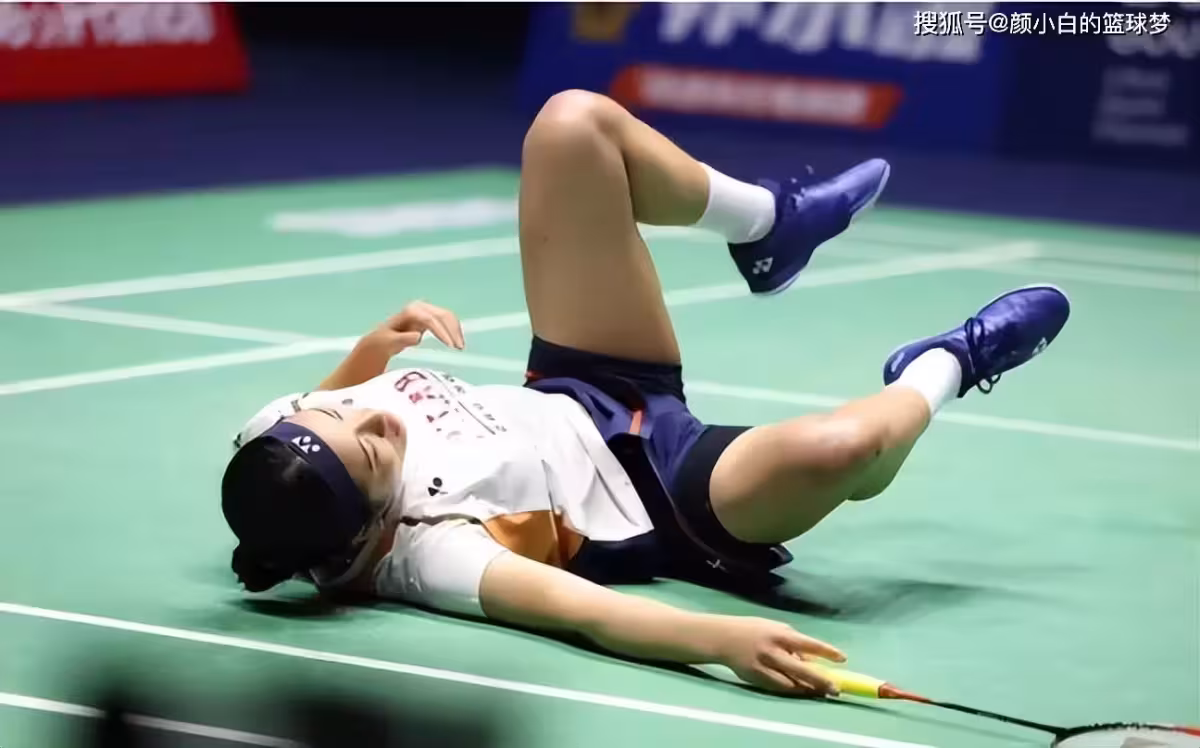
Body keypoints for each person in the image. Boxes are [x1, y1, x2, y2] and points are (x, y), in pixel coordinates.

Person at [220, 90, 1070, 697]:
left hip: (585, 381)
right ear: (374, 526)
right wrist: (721, 640)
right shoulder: (426, 559)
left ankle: (770, 225)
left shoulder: (277, 438)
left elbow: (331, 406)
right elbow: (584, 612)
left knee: (571, 125)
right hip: (663, 493)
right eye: (375, 450)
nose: (372, 414)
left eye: (336, 414)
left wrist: (372, 350)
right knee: (842, 450)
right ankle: (949, 362)